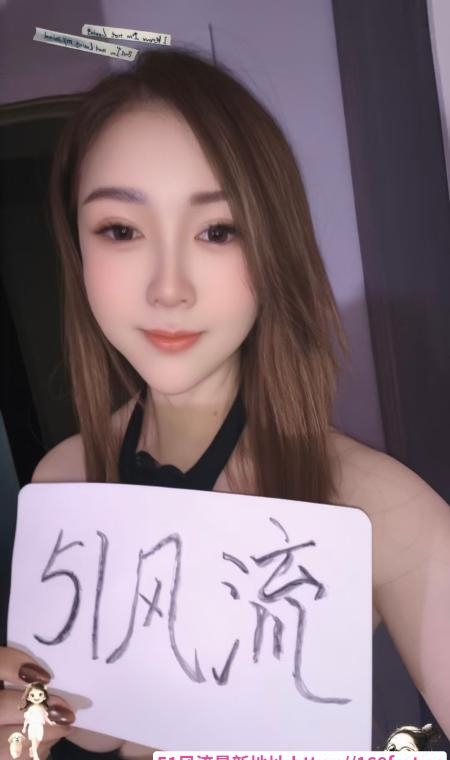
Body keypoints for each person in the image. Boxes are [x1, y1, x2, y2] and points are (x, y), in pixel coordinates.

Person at [1, 46, 450, 758]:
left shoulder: (375, 509)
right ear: (78, 246)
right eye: (120, 230)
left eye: (218, 230)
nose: (168, 289)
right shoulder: (61, 483)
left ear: (274, 246)